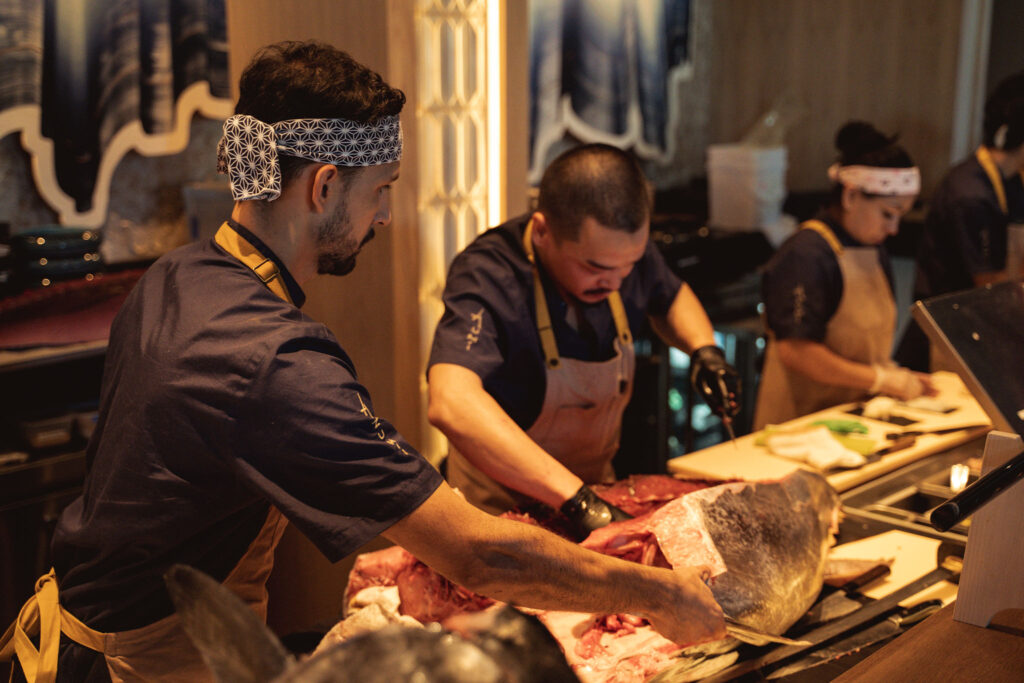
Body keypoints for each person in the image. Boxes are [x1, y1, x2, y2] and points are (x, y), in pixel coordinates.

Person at [0, 42, 725, 682]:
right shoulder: (273, 359)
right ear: (322, 186)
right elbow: (476, 556)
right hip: (144, 665)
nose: (383, 216)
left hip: (71, 636)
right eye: (380, 191)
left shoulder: (177, 273)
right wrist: (654, 592)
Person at [427, 143, 741, 537]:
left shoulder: (619, 254)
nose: (615, 282)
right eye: (595, 267)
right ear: (542, 230)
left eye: (629, 266)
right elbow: (450, 402)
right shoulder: (488, 275)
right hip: (499, 514)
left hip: (596, 497)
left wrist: (704, 350)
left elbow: (671, 295)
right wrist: (576, 501)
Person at [754, 122, 937, 430]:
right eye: (887, 214)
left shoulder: (874, 249)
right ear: (851, 197)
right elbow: (796, 352)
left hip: (851, 424)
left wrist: (894, 375)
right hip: (797, 430)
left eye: (900, 217)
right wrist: (880, 379)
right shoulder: (807, 254)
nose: (894, 229)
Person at [896, 71, 1024, 371]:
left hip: (982, 333)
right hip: (949, 337)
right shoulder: (971, 194)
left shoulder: (1012, 183)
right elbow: (990, 288)